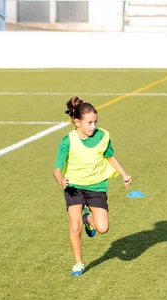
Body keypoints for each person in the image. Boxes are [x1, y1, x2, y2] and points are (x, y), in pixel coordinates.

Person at [53, 96, 132, 277]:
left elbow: (110, 156)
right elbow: (57, 169)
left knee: (103, 228)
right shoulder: (67, 141)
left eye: (95, 122)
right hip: (74, 186)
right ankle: (78, 263)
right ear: (77, 121)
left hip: (97, 186)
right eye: (89, 122)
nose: (93, 126)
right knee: (74, 226)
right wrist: (60, 180)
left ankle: (88, 218)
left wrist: (124, 174)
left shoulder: (103, 136)